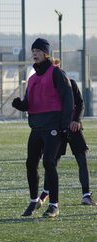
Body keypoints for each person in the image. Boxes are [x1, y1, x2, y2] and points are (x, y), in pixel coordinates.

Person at [12, 38, 73, 218]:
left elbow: (68, 99)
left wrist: (65, 126)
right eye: (33, 50)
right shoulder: (31, 79)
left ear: (46, 53)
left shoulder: (56, 73)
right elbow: (28, 104)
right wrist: (19, 105)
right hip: (37, 127)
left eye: (38, 50)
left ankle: (54, 205)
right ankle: (33, 201)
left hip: (53, 126)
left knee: (49, 162)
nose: (34, 53)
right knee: (31, 163)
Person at [40, 77, 95, 206]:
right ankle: (44, 193)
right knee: (52, 162)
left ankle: (86, 195)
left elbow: (80, 103)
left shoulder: (70, 83)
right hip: (57, 129)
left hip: (73, 127)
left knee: (82, 159)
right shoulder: (47, 86)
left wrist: (76, 120)